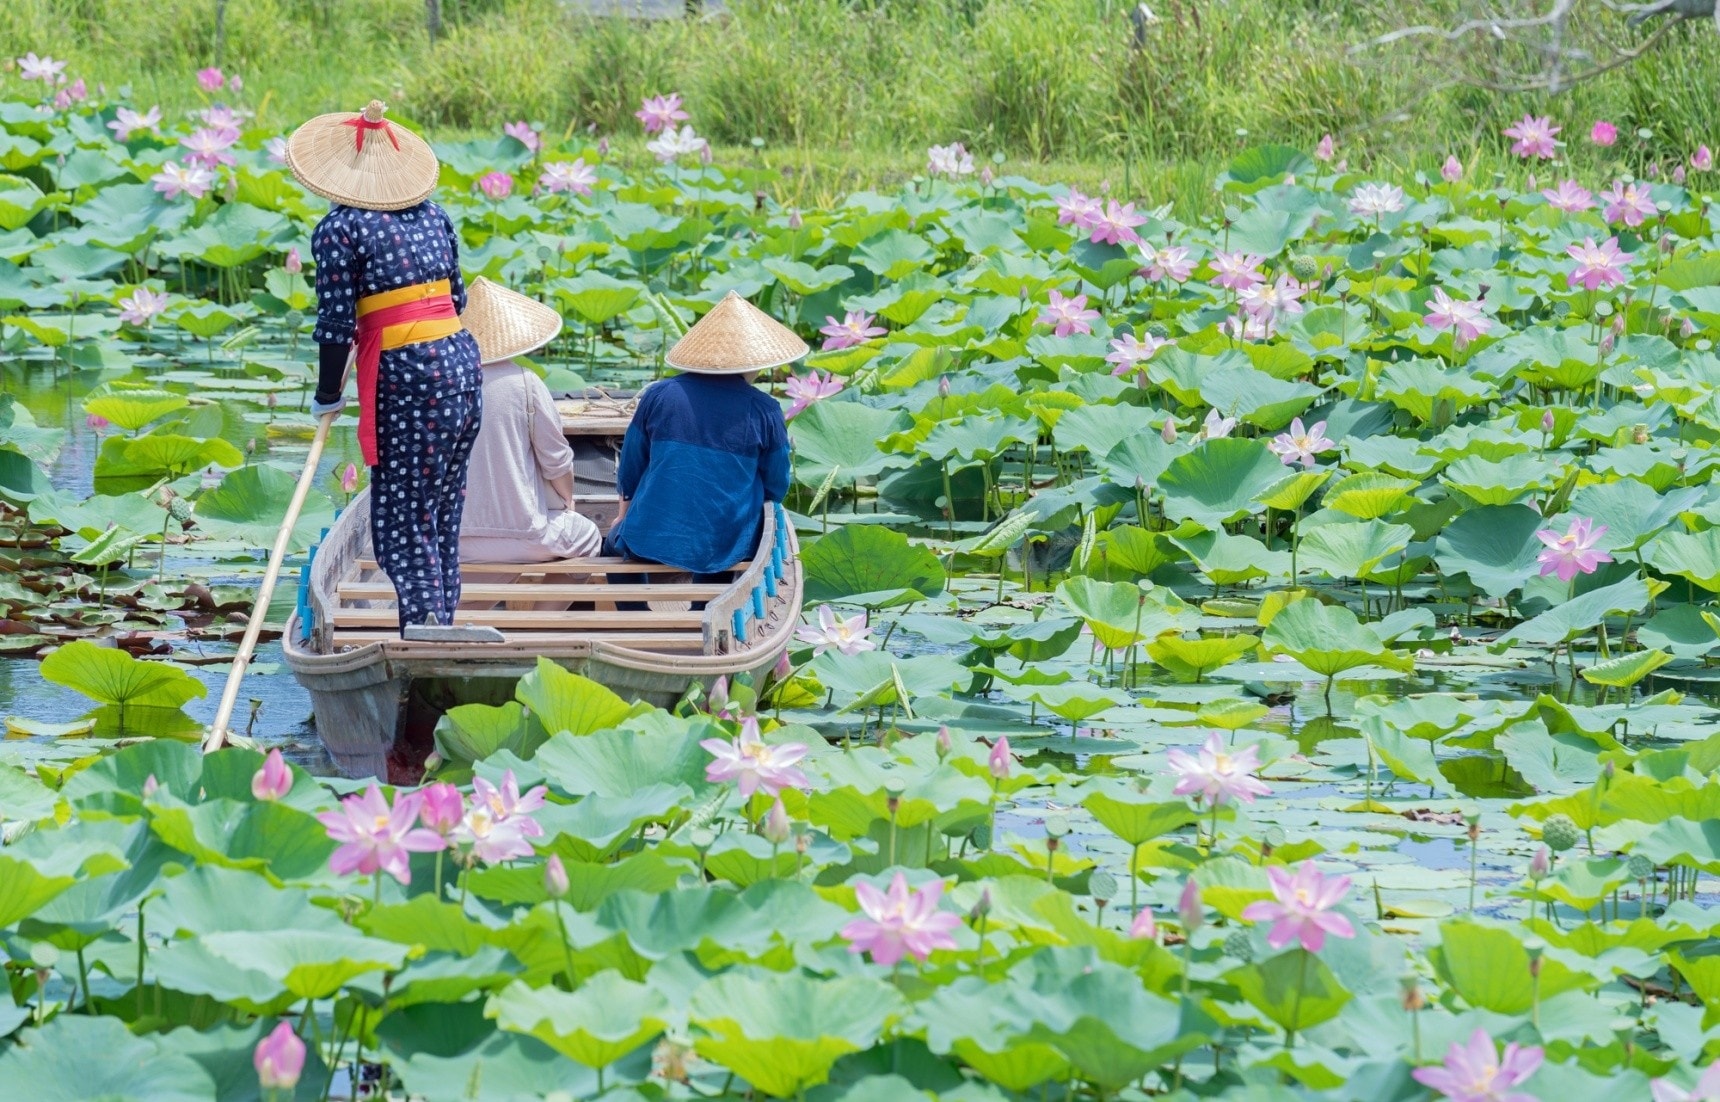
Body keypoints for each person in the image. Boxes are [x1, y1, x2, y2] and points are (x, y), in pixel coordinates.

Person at [290, 100, 484, 636]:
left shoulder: (340, 229)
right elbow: (456, 298)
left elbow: (335, 326)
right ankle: (440, 617)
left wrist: (328, 392)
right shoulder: (434, 215)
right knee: (443, 500)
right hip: (462, 365)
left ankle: (423, 623)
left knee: (402, 511)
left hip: (411, 373)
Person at [603, 291, 803, 606]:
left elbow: (631, 466)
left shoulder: (659, 395)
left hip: (650, 536)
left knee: (612, 545)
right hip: (726, 543)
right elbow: (776, 484)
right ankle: (702, 613)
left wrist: (622, 516)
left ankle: (636, 616)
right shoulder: (765, 409)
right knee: (725, 537)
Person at [456, 277, 602, 564]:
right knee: (590, 538)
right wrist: (566, 502)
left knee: (480, 580)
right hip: (527, 537)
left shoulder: (439, 386)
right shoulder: (525, 383)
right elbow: (556, 461)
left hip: (452, 539)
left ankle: (481, 607)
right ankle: (545, 610)